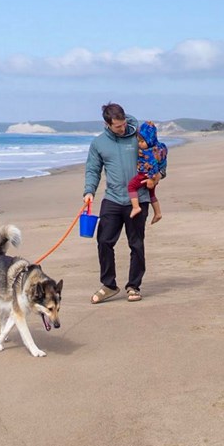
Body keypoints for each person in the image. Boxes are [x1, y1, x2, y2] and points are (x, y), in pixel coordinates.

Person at [83, 103, 160, 303]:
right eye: (117, 126)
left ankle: (134, 286)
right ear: (107, 124)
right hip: (113, 198)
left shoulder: (138, 136)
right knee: (104, 241)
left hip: (138, 198)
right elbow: (93, 170)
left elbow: (158, 157)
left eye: (123, 124)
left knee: (136, 244)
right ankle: (109, 285)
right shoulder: (99, 143)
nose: (122, 128)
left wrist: (157, 176)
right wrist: (89, 191)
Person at [128, 121, 167, 224]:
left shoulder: (151, 152)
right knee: (152, 194)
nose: (139, 144)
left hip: (145, 175)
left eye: (142, 141)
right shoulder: (158, 147)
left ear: (149, 139)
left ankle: (136, 207)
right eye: (138, 141)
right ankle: (158, 213)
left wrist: (151, 178)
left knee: (131, 186)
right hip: (151, 176)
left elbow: (154, 165)